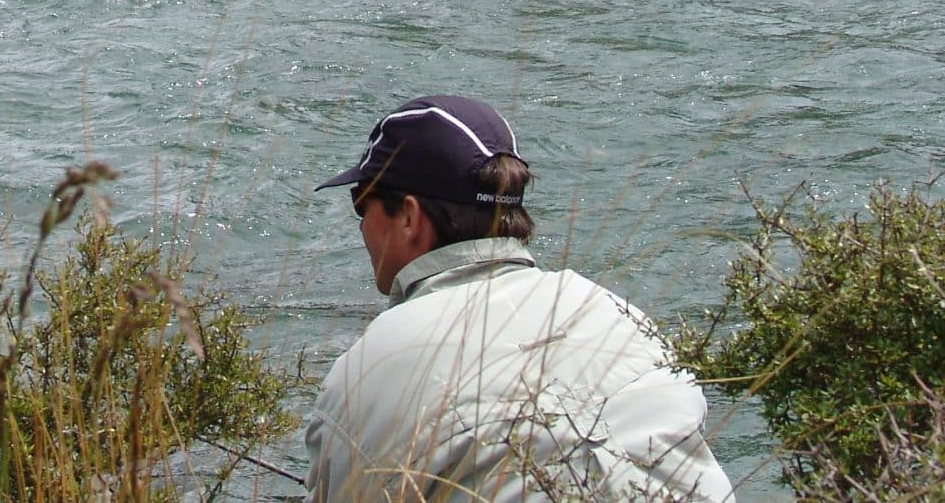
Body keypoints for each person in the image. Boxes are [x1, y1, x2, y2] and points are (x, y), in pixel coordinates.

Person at [305, 95, 735, 502]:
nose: (360, 224)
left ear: (410, 217)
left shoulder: (366, 370)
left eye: (361, 202)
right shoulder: (616, 313)